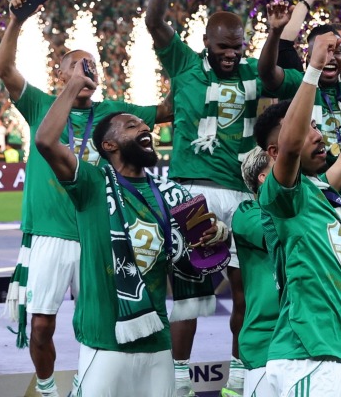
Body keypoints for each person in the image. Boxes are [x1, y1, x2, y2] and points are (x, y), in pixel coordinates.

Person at [0, 0, 166, 397]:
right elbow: (4, 68)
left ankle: (100, 379)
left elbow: (166, 111)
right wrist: (17, 20)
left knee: (108, 314)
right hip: (52, 231)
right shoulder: (42, 106)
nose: (86, 71)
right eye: (76, 66)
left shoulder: (115, 115)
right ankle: (47, 389)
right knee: (41, 326)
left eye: (92, 66)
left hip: (102, 233)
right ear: (61, 76)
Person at [145, 0, 298, 396]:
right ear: (206, 44)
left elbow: (275, 75)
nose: (231, 55)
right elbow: (153, 20)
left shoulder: (256, 71)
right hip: (194, 191)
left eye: (237, 47)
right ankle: (177, 380)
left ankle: (238, 377)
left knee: (248, 289)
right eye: (223, 48)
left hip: (245, 193)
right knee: (190, 293)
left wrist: (274, 35)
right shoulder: (185, 65)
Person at [32, 65, 228, 396]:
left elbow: (202, 260)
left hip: (158, 343)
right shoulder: (91, 185)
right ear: (109, 145)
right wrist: (74, 85)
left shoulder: (172, 194)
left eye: (144, 124)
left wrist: (219, 235)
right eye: (132, 125)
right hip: (105, 344)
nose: (145, 127)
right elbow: (45, 141)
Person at [255, 34, 341, 397]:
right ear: (275, 153)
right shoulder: (282, 196)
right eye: (307, 130)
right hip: (307, 354)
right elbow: (290, 146)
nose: (317, 136)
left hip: (338, 351)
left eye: (317, 127)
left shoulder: (322, 194)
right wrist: (314, 69)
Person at [259, 5, 341, 162]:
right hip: (307, 176)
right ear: (309, 59)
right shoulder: (298, 83)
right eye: (323, 51)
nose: (330, 58)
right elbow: (267, 73)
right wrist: (275, 33)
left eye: (336, 52)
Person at [233, 146, 282, 397]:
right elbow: (278, 236)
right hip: (266, 343)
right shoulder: (247, 213)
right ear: (263, 177)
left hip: (306, 339)